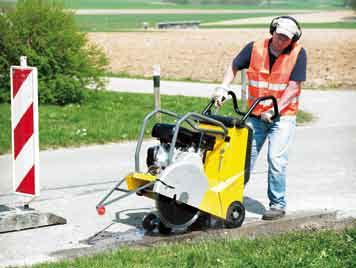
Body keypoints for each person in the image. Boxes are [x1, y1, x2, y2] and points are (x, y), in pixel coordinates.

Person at [212, 16, 307, 220]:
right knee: (242, 159)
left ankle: (277, 205)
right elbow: (234, 66)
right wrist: (222, 88)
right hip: (255, 116)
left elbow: (293, 88)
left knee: (276, 160)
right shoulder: (254, 48)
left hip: (282, 116)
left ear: (293, 39)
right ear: (272, 31)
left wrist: (275, 110)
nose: (281, 41)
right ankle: (227, 199)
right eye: (279, 36)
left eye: (286, 39)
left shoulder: (298, 53)